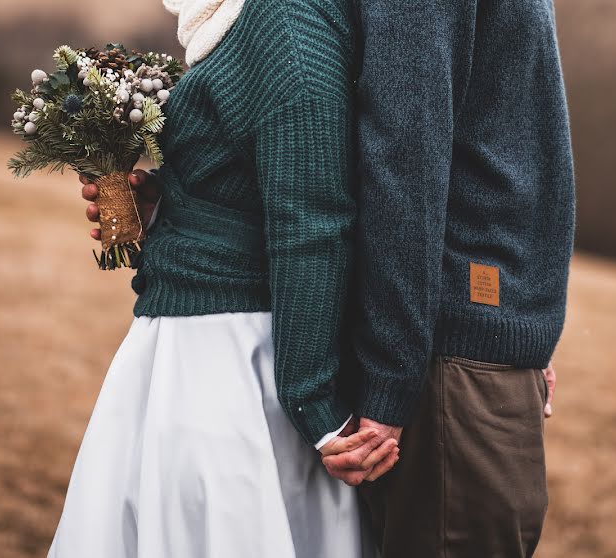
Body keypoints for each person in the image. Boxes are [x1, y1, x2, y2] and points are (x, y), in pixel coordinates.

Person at [49, 0, 396, 556]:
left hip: (238, 373)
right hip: (187, 350)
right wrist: (166, 204)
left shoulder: (286, 21)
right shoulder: (231, 21)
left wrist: (314, 404)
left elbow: (311, 221)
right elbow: (246, 181)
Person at [319, 1, 575, 557]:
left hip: (470, 363)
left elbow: (437, 145)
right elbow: (413, 149)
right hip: (452, 363)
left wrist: (525, 321)